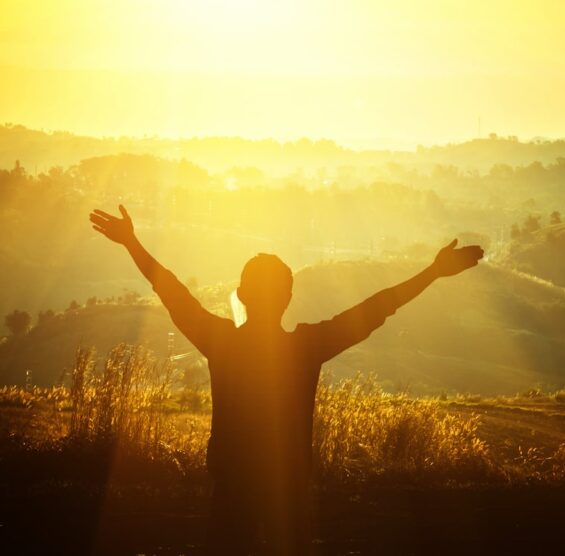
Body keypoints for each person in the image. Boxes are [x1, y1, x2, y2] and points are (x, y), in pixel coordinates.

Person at [89, 205, 484, 555]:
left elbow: (172, 291)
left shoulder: (223, 342)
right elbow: (378, 307)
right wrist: (432, 272)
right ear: (288, 297)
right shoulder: (307, 347)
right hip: (289, 491)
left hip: (233, 488)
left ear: (241, 295)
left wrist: (132, 244)